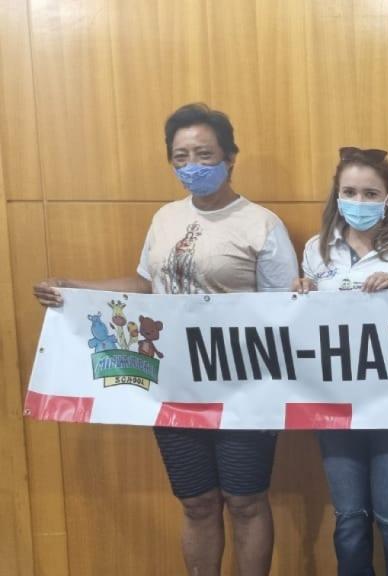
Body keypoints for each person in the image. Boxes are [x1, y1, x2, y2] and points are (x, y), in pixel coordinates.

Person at [32, 103, 297, 576]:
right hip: (172, 383)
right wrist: (76, 288)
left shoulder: (261, 224)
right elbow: (145, 285)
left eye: (204, 154)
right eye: (181, 156)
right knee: (197, 501)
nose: (192, 165)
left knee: (246, 501)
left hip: (244, 385)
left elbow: (287, 311)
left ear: (230, 157)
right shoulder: (165, 218)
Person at [293, 147, 388, 575]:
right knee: (350, 520)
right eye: (350, 192)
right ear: (337, 195)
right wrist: (301, 294)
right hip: (335, 406)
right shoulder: (316, 250)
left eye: (370, 193)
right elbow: (306, 327)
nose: (359, 201)